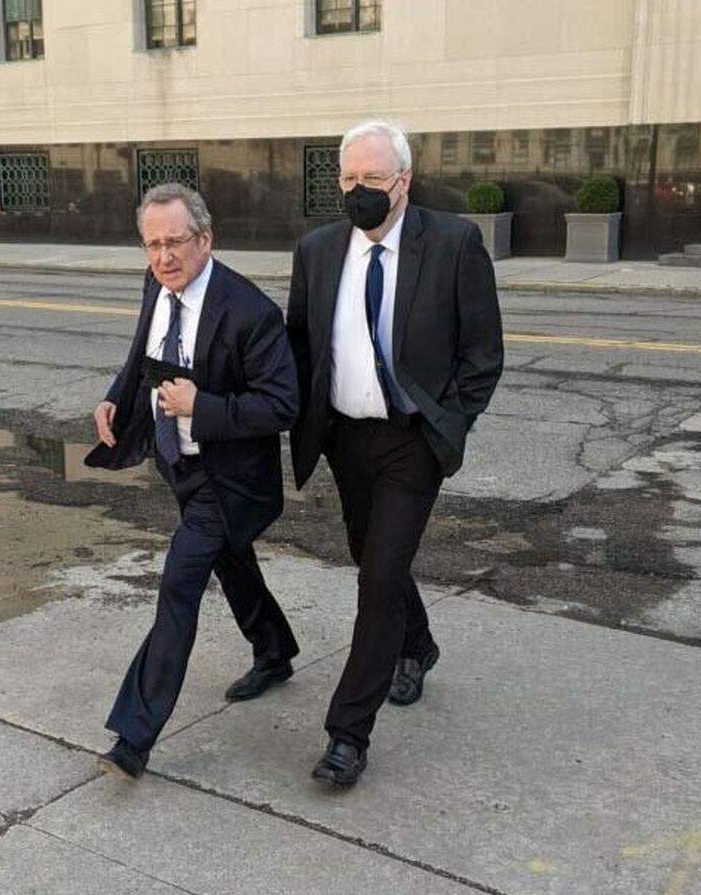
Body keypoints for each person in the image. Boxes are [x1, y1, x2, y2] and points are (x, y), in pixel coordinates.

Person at [287, 121, 504, 786]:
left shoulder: (454, 243)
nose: (358, 191)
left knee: (378, 576)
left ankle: (347, 732)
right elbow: (300, 346)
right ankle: (418, 643)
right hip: (347, 439)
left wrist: (449, 423)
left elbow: (483, 354)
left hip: (413, 441)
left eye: (372, 180)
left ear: (403, 182)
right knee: (373, 555)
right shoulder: (319, 249)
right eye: (348, 180)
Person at [87, 183, 300, 779]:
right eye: (152, 245)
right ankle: (275, 651)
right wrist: (113, 398)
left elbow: (282, 405)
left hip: (230, 480)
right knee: (232, 561)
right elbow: (142, 358)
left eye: (175, 242)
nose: (163, 257)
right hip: (178, 466)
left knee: (180, 586)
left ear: (205, 239)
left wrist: (202, 407)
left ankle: (134, 737)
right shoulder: (157, 285)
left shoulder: (250, 311)